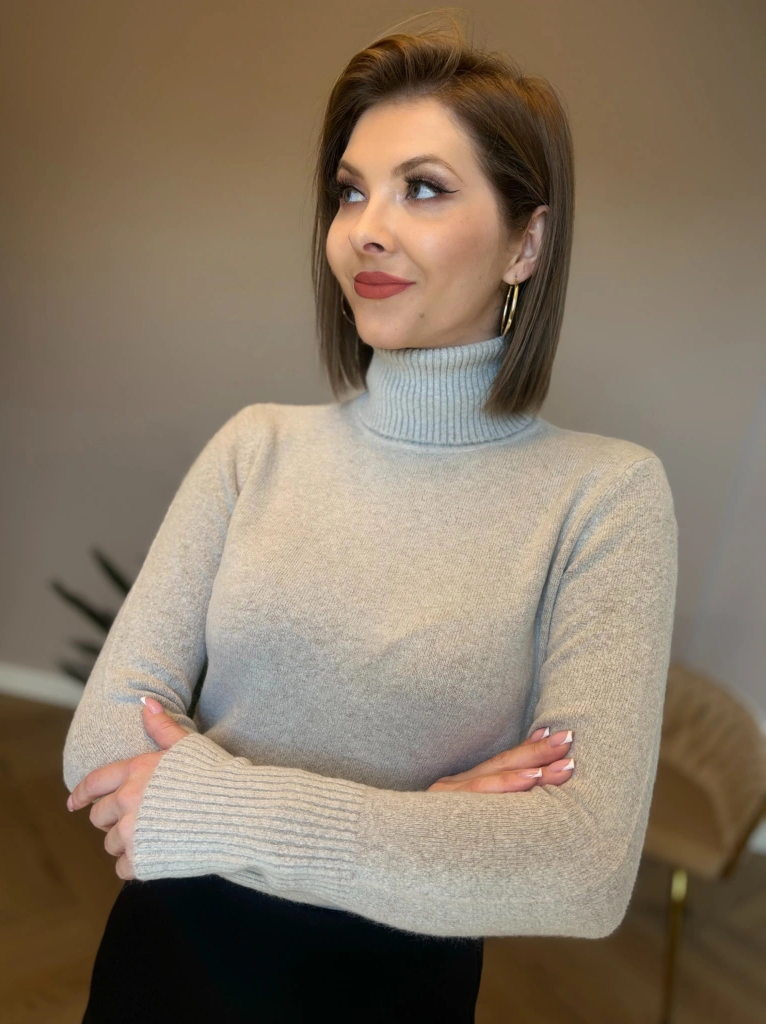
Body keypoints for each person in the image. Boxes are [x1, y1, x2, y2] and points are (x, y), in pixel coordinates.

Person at [62, 19, 678, 1024]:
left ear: (525, 243)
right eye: (350, 191)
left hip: (388, 995)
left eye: (422, 188)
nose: (365, 230)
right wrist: (422, 827)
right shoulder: (254, 447)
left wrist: (207, 805)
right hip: (166, 967)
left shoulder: (605, 496)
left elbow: (580, 869)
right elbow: (99, 741)